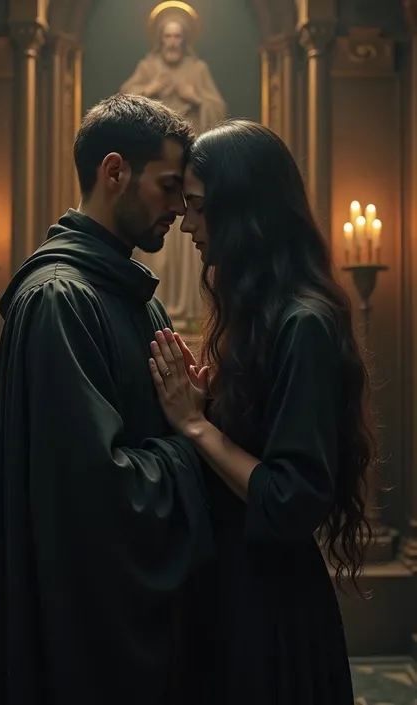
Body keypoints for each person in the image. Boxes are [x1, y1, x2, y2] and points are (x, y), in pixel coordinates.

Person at [0, 94, 215, 705]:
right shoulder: (60, 300)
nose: (180, 211)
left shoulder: (137, 297)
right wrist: (196, 439)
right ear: (114, 172)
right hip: (81, 637)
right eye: (170, 187)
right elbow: (98, 492)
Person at [149, 119, 377, 704]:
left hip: (270, 612)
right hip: (233, 593)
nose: (188, 226)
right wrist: (213, 412)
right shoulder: (260, 315)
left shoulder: (303, 323)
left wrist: (196, 426)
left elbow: (290, 497)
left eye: (198, 208)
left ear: (243, 207)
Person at [121, 1, 226, 330]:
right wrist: (150, 91)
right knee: (159, 253)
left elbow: (217, 110)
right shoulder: (147, 67)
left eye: (178, 37)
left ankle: (187, 314)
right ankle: (159, 311)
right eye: (167, 36)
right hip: (156, 176)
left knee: (184, 247)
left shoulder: (197, 70)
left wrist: (194, 97)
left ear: (185, 40)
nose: (172, 42)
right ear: (160, 39)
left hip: (188, 174)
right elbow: (124, 105)